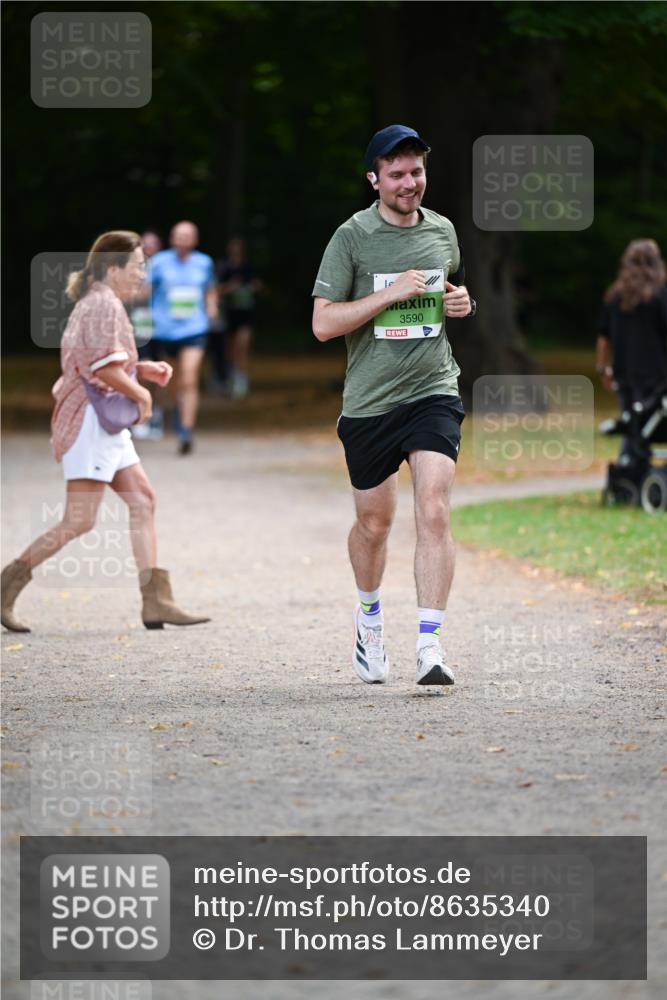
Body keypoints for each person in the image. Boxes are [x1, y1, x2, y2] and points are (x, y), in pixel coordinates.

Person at [312, 125, 476, 687]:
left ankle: (430, 645)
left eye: (418, 172)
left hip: (433, 389)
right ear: (374, 179)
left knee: (433, 508)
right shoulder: (351, 237)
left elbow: (452, 289)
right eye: (399, 174)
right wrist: (388, 293)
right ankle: (370, 617)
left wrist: (461, 302)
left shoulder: (444, 231)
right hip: (370, 402)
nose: (411, 183)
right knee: (374, 524)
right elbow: (322, 323)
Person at [1, 230, 211, 633]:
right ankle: (6, 585)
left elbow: (101, 361)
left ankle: (156, 602)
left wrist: (141, 370)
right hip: (92, 423)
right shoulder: (102, 305)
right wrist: (143, 397)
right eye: (137, 266)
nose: (142, 274)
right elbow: (101, 369)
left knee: (143, 500)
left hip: (104, 423)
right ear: (113, 268)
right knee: (79, 521)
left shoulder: (101, 301)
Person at [146, 221, 218, 454]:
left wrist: (211, 306)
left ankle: (186, 430)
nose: (183, 238)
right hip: (165, 330)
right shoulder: (159, 262)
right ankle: (179, 409)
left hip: (194, 328)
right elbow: (146, 291)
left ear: (195, 239)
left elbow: (210, 289)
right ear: (172, 238)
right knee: (174, 382)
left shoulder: (204, 262)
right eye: (178, 234)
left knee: (189, 377)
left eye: (188, 235)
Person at [596, 238, 667, 457]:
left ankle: (628, 470)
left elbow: (603, 337)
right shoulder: (660, 296)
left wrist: (602, 368)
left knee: (633, 424)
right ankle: (634, 470)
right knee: (648, 426)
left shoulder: (615, 297)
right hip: (656, 377)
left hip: (624, 374)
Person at [216, 237, 262, 399]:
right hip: (230, 313)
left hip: (246, 313)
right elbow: (217, 290)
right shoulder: (224, 267)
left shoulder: (249, 266)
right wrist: (231, 287)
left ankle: (242, 379)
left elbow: (258, 285)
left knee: (242, 346)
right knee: (231, 349)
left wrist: (254, 286)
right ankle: (232, 378)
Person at [130, 230, 164, 440]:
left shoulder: (166, 266)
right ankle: (141, 415)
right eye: (145, 244)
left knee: (161, 372)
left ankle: (156, 414)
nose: (149, 247)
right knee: (142, 367)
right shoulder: (133, 267)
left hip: (164, 328)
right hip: (140, 325)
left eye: (153, 244)